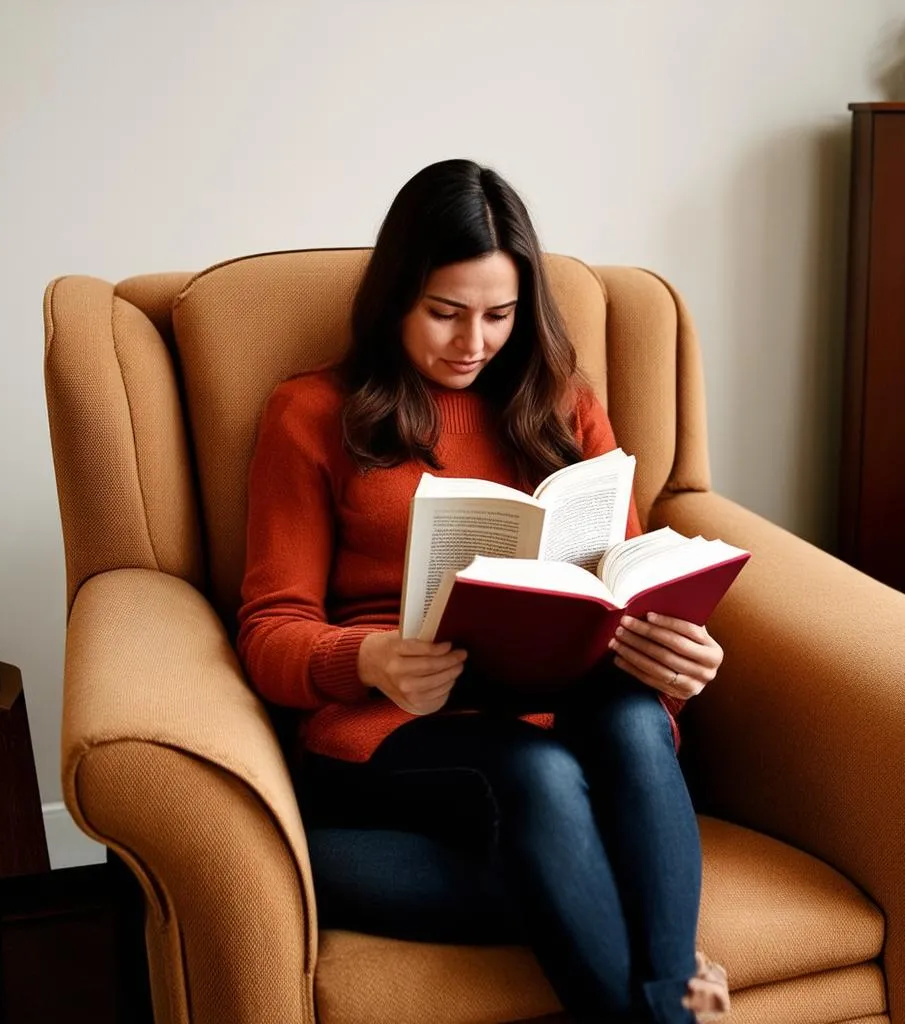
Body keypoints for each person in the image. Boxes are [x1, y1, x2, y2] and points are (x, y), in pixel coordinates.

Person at [237, 159, 730, 1023]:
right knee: (537, 776)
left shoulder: (565, 408)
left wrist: (676, 650)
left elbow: (630, 579)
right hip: (393, 734)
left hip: (562, 722)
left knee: (625, 715)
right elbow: (270, 627)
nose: (472, 342)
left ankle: (638, 970)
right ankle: (670, 980)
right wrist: (371, 658)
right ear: (395, 297)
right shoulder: (312, 414)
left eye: (499, 316)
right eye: (445, 313)